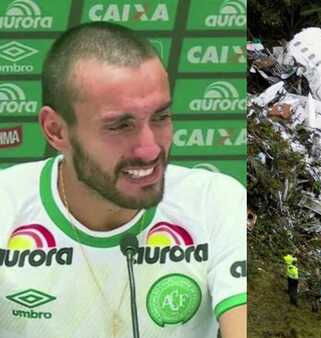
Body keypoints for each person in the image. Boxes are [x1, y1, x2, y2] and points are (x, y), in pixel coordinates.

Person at [0, 22, 246, 338]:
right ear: (56, 131)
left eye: (160, 117)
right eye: (119, 126)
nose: (149, 149)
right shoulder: (8, 206)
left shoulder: (216, 200)